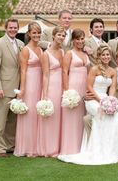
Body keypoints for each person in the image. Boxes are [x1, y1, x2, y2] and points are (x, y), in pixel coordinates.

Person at [58, 44, 118, 165]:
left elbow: (112, 88)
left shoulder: (113, 71)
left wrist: (111, 100)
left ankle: (116, 152)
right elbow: (89, 87)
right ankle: (99, 151)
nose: (106, 56)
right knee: (102, 115)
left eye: (108, 54)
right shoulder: (94, 69)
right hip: (93, 99)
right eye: (103, 55)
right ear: (99, 56)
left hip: (106, 99)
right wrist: (100, 100)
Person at [0, 19, 24, 157]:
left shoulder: (21, 44)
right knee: (1, 120)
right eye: (10, 27)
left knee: (12, 120)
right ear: (5, 28)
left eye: (15, 28)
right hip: (4, 87)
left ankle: (10, 146)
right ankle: (0, 148)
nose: (13, 30)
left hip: (17, 87)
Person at [14, 22, 44, 157]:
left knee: (37, 115)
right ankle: (27, 148)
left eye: (38, 32)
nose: (37, 35)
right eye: (34, 33)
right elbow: (23, 71)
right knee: (29, 115)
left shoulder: (40, 49)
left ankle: (37, 145)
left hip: (39, 83)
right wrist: (23, 89)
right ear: (29, 34)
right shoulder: (25, 50)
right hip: (30, 84)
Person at [60, 28, 90, 155]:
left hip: (84, 87)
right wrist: (67, 92)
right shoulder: (69, 54)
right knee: (71, 118)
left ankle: (81, 147)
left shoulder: (85, 54)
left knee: (82, 117)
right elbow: (64, 72)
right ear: (73, 40)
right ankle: (69, 148)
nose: (80, 41)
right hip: (73, 87)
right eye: (77, 39)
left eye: (82, 38)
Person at [37, 26, 66, 157]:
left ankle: (58, 146)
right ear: (53, 36)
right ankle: (48, 148)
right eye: (59, 35)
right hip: (52, 87)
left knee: (60, 117)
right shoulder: (45, 54)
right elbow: (45, 75)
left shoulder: (63, 52)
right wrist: (45, 94)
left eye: (63, 35)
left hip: (62, 86)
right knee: (51, 117)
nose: (61, 37)